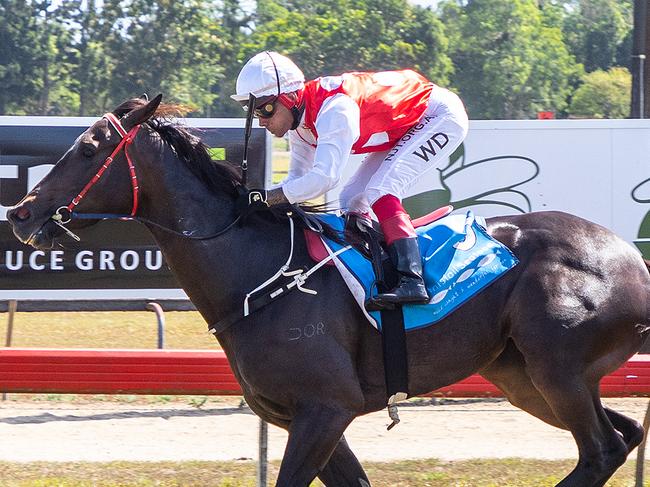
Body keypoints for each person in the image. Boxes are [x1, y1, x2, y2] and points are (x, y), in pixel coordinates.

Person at [231, 51, 469, 307]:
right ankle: (377, 267)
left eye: (265, 109)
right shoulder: (300, 126)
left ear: (290, 98)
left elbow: (324, 178)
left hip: (439, 116)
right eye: (253, 112)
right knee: (351, 200)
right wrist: (262, 200)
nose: (262, 121)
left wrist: (267, 198)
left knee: (381, 190)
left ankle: (412, 280)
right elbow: (296, 182)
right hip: (404, 124)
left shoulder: (334, 109)